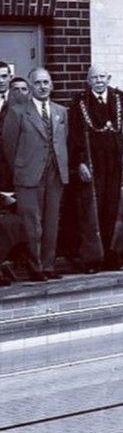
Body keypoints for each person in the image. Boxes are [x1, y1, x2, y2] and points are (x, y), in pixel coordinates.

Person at [68, 65, 123, 272]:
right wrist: (79, 162)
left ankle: (114, 255)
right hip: (92, 165)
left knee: (115, 208)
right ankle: (92, 259)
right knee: (92, 211)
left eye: (102, 77)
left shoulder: (122, 100)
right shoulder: (79, 103)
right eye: (94, 77)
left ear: (109, 78)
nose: (99, 81)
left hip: (118, 164)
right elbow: (74, 136)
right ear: (88, 81)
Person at [2, 68, 69, 281]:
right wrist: (22, 167)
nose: (42, 86)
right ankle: (35, 266)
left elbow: (62, 141)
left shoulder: (61, 111)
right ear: (30, 86)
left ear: (52, 85)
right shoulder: (18, 111)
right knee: (32, 222)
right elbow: (9, 146)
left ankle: (48, 264)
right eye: (38, 83)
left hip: (55, 172)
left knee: (51, 221)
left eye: (46, 82)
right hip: (28, 174)